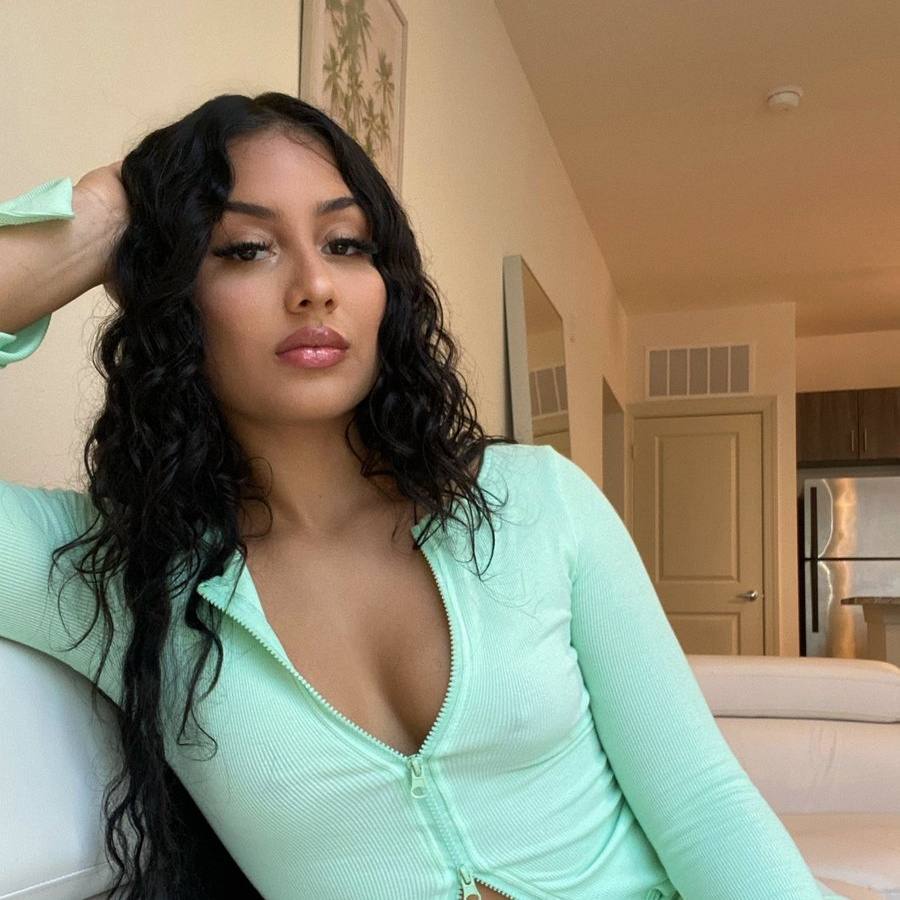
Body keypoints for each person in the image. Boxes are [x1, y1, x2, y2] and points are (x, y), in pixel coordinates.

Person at [0, 92, 847, 900]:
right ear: (171, 294)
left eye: (346, 243)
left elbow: (704, 807)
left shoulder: (536, 503)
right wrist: (107, 213)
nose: (315, 285)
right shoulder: (119, 577)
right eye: (246, 248)